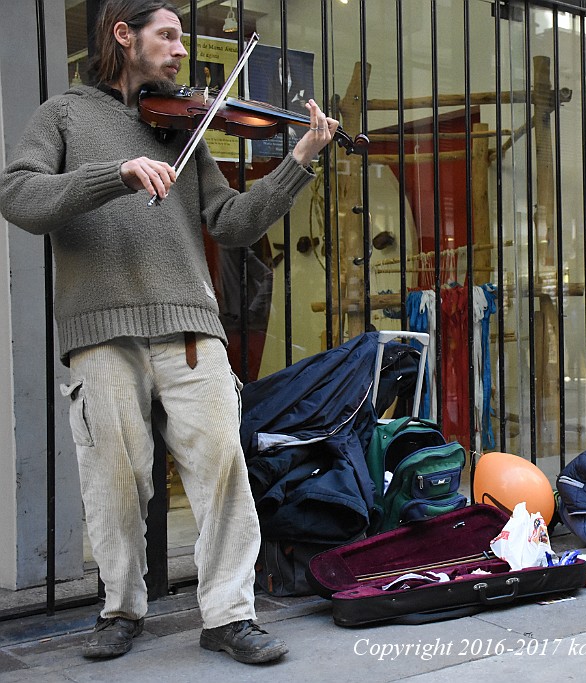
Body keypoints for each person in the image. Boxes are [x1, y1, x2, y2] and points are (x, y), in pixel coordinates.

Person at [0, 0, 340, 662]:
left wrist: (298, 158)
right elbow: (18, 195)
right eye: (169, 35)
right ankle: (121, 606)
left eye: (182, 37)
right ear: (124, 36)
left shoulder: (181, 129)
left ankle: (228, 615)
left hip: (189, 321)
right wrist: (114, 174)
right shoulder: (64, 114)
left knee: (220, 466)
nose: (182, 49)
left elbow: (233, 223)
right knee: (116, 476)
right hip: (101, 329)